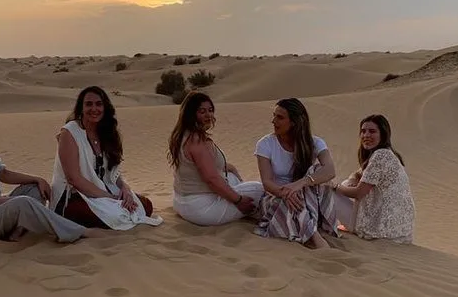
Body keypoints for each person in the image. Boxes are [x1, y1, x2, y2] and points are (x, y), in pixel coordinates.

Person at [0, 96, 102, 245]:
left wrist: (37, 180)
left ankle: (16, 232)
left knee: (35, 189)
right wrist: (12, 201)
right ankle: (78, 232)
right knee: (23, 202)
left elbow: (3, 174)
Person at [49, 86, 163, 230]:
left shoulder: (106, 132)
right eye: (88, 104)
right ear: (81, 108)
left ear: (105, 107)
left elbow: (114, 173)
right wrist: (111, 198)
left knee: (145, 205)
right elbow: (74, 179)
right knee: (116, 215)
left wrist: (126, 190)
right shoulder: (70, 132)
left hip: (103, 192)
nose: (94, 109)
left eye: (99, 104)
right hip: (73, 198)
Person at [253, 98, 340, 249]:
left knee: (317, 171)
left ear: (294, 122)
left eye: (280, 117)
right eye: (274, 116)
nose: (273, 121)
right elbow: (267, 183)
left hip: (306, 196)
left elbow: (330, 171)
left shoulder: (315, 142)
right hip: (276, 197)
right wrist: (287, 193)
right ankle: (314, 236)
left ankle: (310, 228)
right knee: (290, 202)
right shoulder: (265, 144)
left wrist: (299, 184)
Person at [168, 91, 264, 226]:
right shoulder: (196, 142)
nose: (208, 115)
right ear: (191, 114)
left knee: (231, 176)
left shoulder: (182, 136)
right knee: (259, 189)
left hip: (181, 202)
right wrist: (238, 200)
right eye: (202, 111)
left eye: (210, 110)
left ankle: (250, 209)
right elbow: (211, 179)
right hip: (201, 208)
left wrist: (232, 169)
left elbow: (208, 167)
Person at [333, 114, 415, 244]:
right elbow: (357, 175)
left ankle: (320, 229)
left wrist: (334, 186)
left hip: (379, 231)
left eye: (372, 131)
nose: (366, 135)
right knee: (347, 183)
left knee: (329, 192)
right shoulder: (389, 155)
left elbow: (359, 193)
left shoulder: (380, 155)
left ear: (383, 134)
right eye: (363, 131)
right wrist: (353, 180)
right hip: (399, 232)